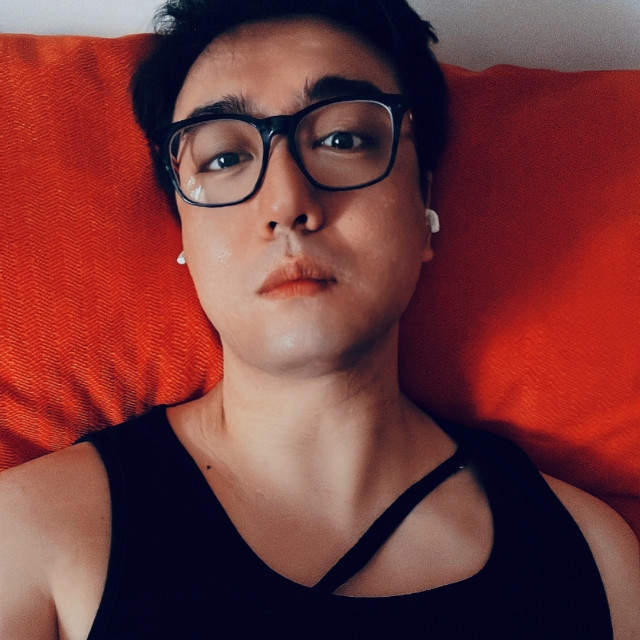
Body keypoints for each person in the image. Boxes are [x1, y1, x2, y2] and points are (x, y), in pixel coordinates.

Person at [1, 0, 639, 637]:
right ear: (185, 236)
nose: (286, 202)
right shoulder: (36, 536)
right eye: (224, 157)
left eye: (343, 140)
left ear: (423, 206)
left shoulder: (596, 558)